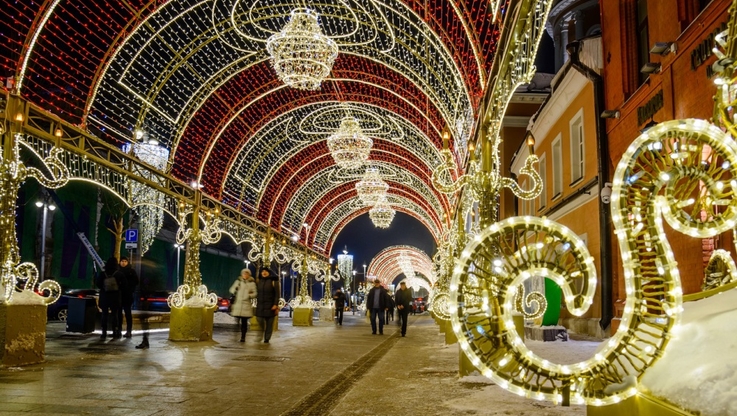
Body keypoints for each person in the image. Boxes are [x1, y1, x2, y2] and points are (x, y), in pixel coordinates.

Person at [96, 257, 122, 340]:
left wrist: (104, 288)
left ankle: (104, 333)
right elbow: (124, 284)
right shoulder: (118, 274)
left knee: (104, 314)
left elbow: (98, 284)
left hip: (105, 296)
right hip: (115, 296)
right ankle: (115, 331)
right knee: (115, 314)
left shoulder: (103, 274)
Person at [229, 269, 257, 342]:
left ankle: (243, 337)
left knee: (244, 322)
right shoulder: (238, 282)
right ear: (242, 274)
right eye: (244, 274)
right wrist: (235, 289)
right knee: (237, 321)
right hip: (238, 304)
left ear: (249, 275)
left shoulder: (252, 283)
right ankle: (235, 335)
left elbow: (255, 293)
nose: (245, 275)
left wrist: (249, 295)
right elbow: (231, 290)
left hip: (246, 305)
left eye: (247, 274)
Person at [255, 267, 280, 343]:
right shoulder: (259, 281)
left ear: (269, 273)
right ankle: (262, 331)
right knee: (259, 319)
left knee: (269, 324)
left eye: (266, 271)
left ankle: (267, 338)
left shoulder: (273, 281)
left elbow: (277, 294)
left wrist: (275, 304)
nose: (264, 273)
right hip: (260, 305)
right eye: (262, 271)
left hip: (270, 306)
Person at [117, 256, 139, 338]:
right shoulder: (117, 271)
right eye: (122, 261)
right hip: (119, 295)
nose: (123, 263)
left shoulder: (131, 271)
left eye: (125, 261)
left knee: (127, 313)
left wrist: (130, 288)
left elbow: (136, 281)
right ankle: (118, 330)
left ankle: (128, 331)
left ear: (127, 262)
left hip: (127, 295)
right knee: (118, 314)